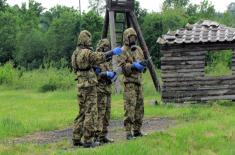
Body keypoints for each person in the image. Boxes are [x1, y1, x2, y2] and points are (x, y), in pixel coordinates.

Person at [71, 30, 122, 148]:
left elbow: (77, 67)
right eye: (88, 39)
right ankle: (88, 140)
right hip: (89, 85)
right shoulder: (86, 52)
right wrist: (112, 52)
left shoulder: (75, 53)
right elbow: (100, 57)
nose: (90, 42)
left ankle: (76, 138)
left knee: (82, 112)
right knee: (91, 112)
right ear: (85, 40)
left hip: (80, 84)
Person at [118, 28, 146, 140]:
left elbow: (143, 62)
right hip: (129, 83)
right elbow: (123, 68)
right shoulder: (122, 51)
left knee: (140, 108)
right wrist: (133, 65)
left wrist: (144, 65)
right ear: (126, 38)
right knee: (130, 108)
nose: (133, 39)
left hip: (139, 82)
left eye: (134, 37)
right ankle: (128, 133)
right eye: (131, 37)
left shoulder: (138, 49)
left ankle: (137, 130)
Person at [94, 39, 115, 144]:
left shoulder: (108, 60)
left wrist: (112, 75)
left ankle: (104, 136)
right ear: (101, 47)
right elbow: (95, 76)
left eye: (108, 47)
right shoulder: (96, 59)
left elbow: (110, 72)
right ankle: (96, 137)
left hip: (107, 89)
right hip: (100, 90)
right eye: (105, 47)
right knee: (100, 114)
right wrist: (105, 74)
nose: (107, 49)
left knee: (107, 114)